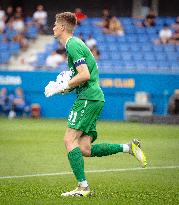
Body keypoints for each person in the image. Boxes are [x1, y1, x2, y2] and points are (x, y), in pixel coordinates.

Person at [44, 12, 147, 197]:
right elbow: (83, 74)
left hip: (88, 97)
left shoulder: (73, 44)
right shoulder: (76, 44)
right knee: (84, 148)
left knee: (69, 140)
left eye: (54, 24)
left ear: (61, 27)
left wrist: (62, 86)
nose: (52, 27)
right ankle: (129, 147)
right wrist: (67, 85)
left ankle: (83, 188)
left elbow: (85, 75)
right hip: (93, 96)